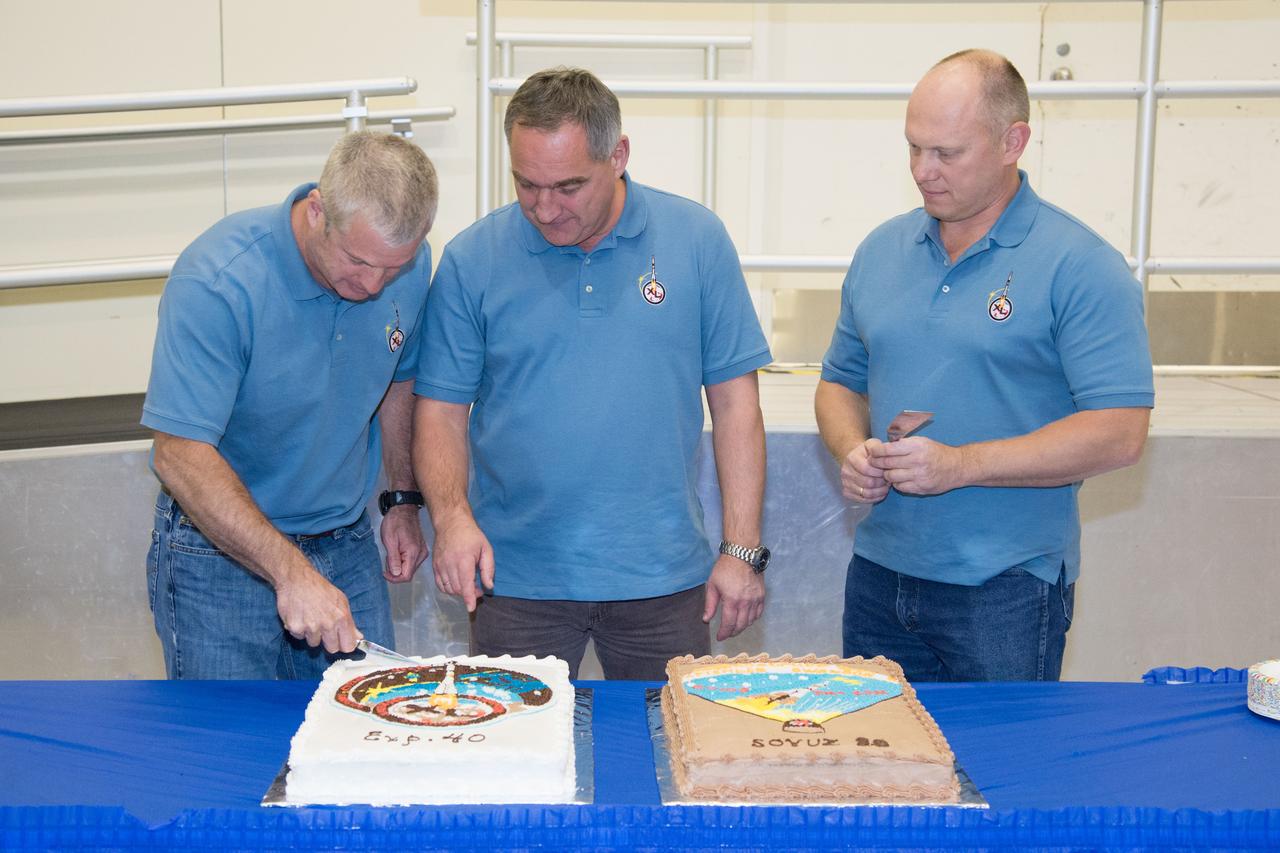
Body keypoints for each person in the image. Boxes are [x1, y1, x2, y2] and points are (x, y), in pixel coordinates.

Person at [413, 67, 772, 680]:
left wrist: (741, 549)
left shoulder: (695, 241)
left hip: (662, 580)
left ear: (619, 155)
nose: (545, 208)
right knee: (515, 740)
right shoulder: (473, 259)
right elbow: (441, 412)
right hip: (514, 581)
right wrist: (450, 521)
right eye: (526, 184)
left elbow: (736, 405)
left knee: (665, 735)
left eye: (569, 186)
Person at [814, 49, 1154, 682]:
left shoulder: (1081, 265)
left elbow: (1120, 432)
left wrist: (960, 465)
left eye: (947, 153)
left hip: (1006, 585)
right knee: (877, 746)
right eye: (914, 147)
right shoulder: (881, 251)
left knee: (1003, 750)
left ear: (1012, 142)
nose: (923, 171)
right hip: (880, 574)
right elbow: (840, 382)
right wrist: (850, 449)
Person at [142, 131, 437, 679]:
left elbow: (401, 378)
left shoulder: (410, 266)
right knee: (227, 731)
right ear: (318, 211)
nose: (374, 285)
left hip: (345, 539)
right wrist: (291, 573)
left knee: (366, 723)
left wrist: (402, 499)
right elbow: (178, 453)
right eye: (358, 261)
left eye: (392, 268)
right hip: (218, 555)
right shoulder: (219, 280)